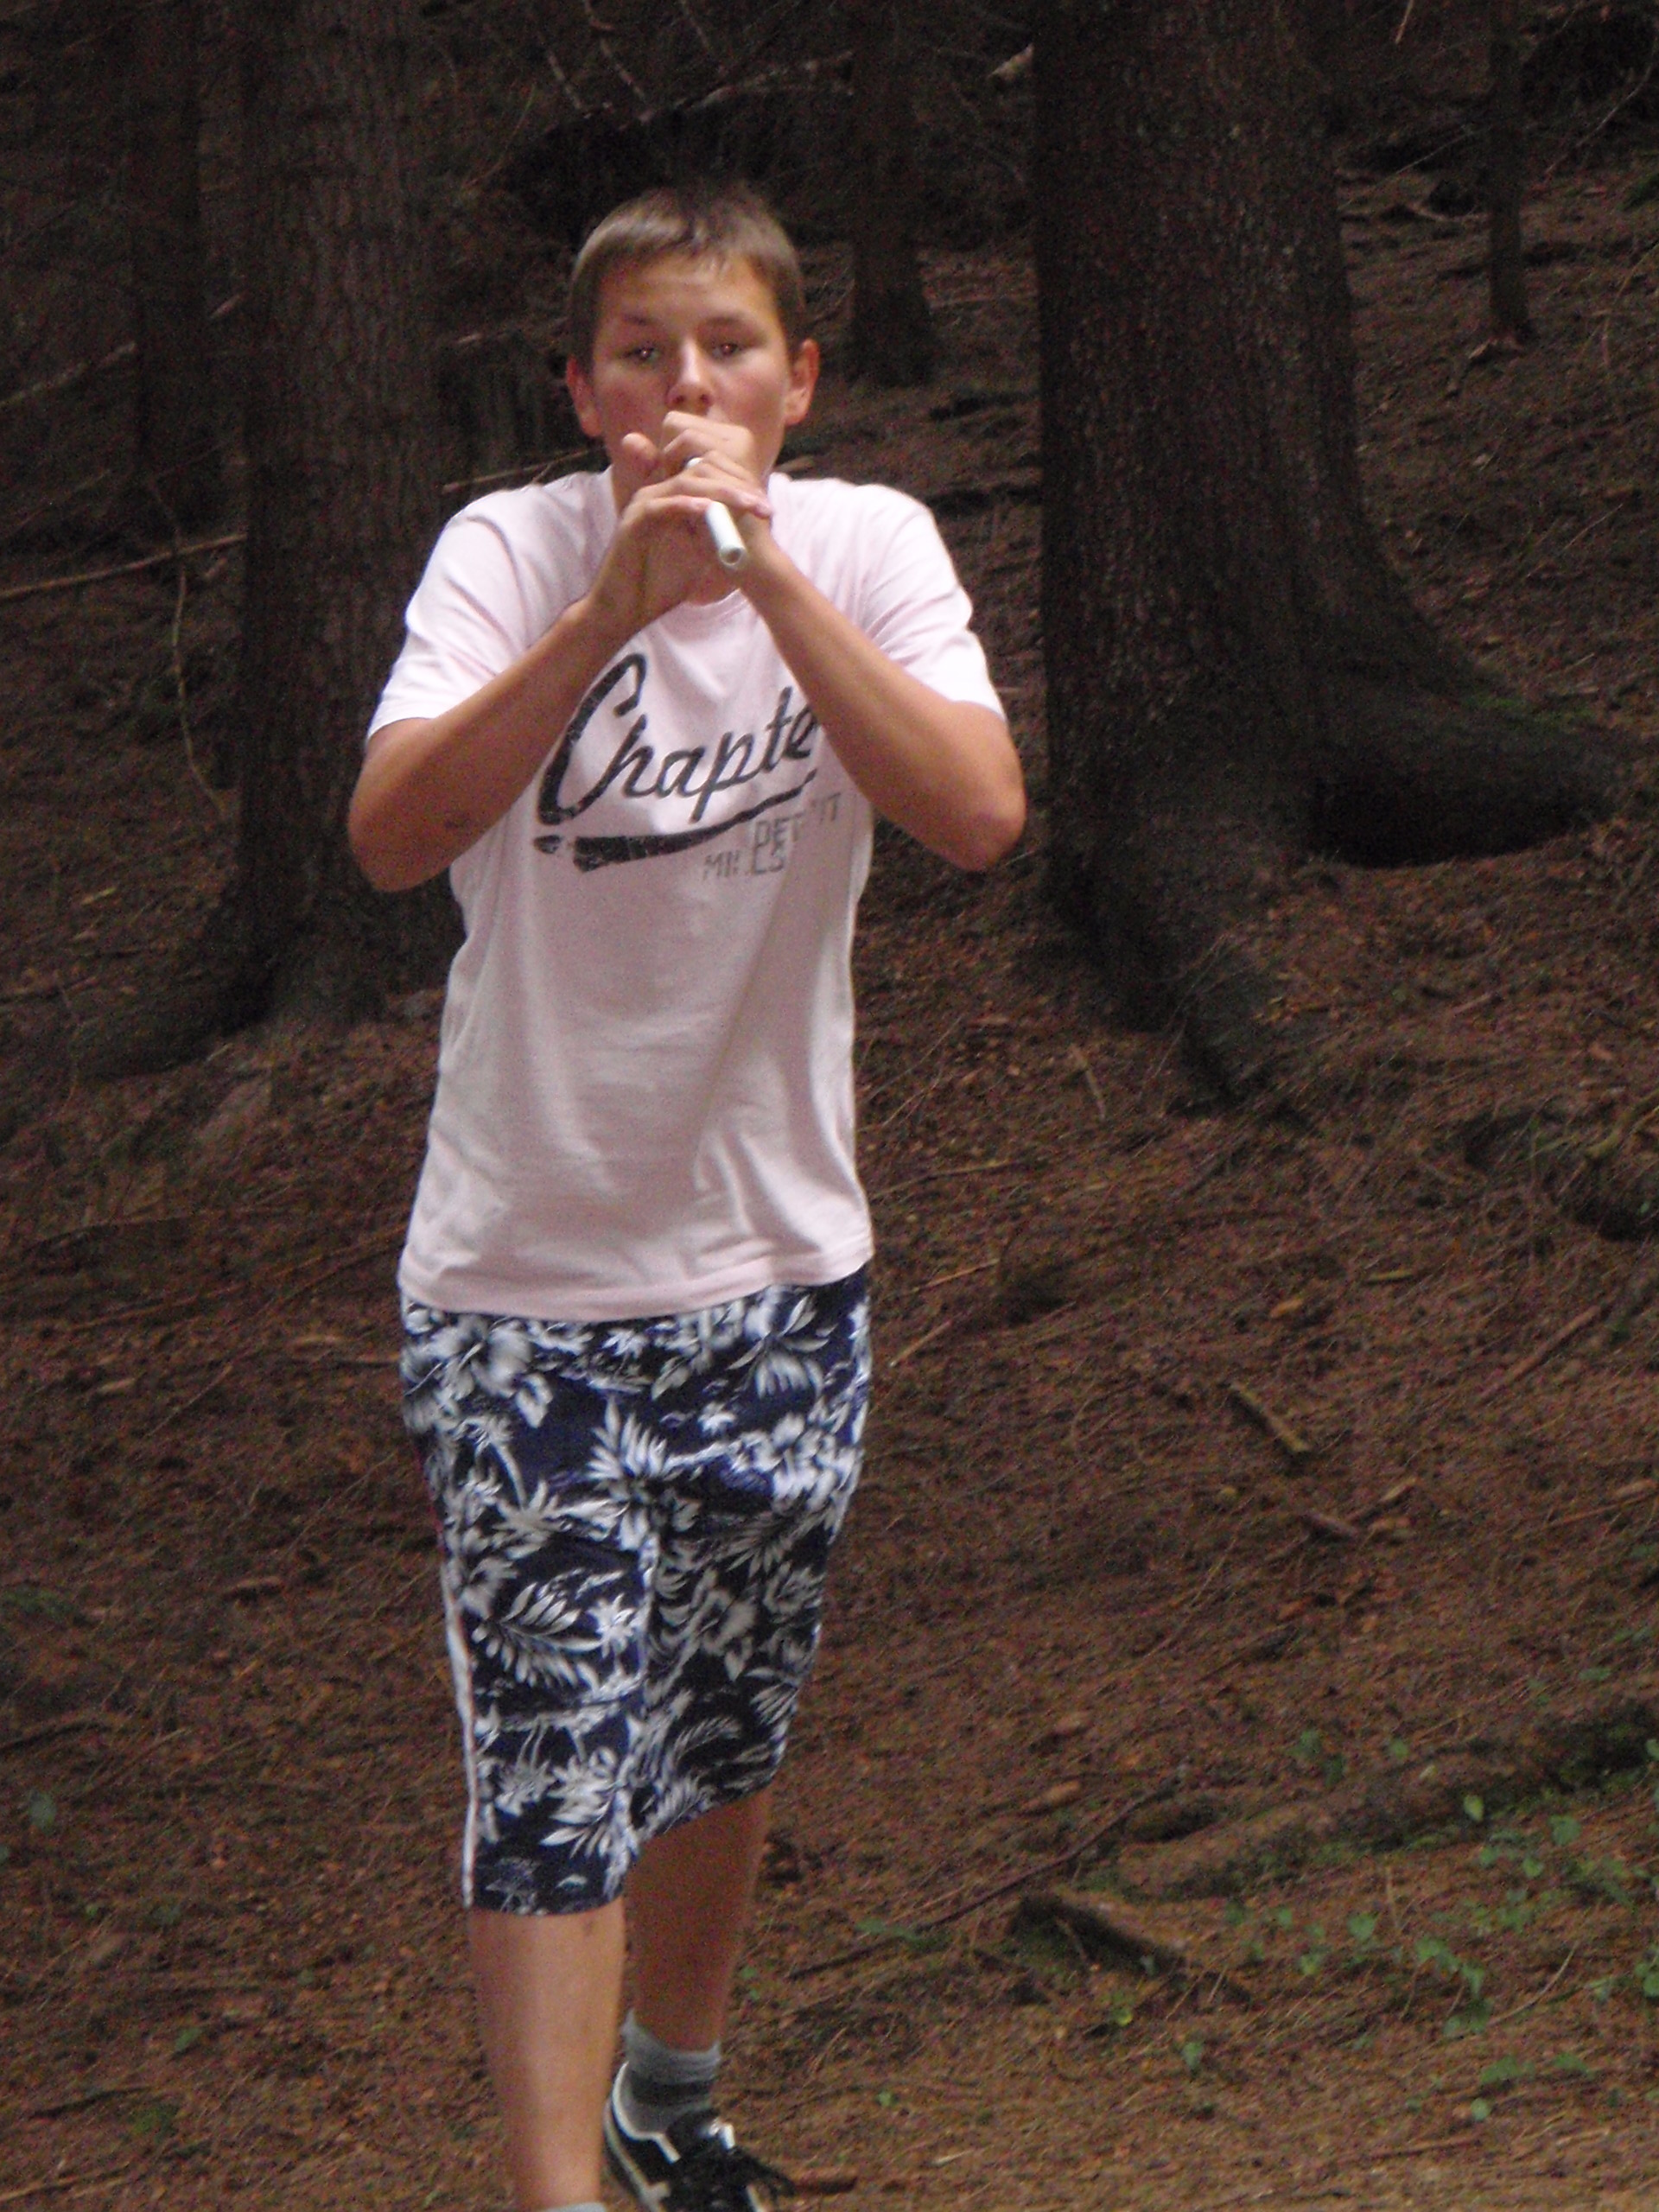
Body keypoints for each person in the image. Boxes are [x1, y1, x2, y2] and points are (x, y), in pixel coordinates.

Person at [348, 181, 1024, 2212]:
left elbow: (979, 812)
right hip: (525, 1285)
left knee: (723, 1728)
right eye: (641, 354)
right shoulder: (508, 555)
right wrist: (610, 615)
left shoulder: (869, 548)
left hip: (778, 1261)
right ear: (583, 392)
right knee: (554, 1766)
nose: (685, 390)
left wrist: (766, 583)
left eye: (727, 349)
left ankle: (672, 2095)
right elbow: (391, 835)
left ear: (797, 379)